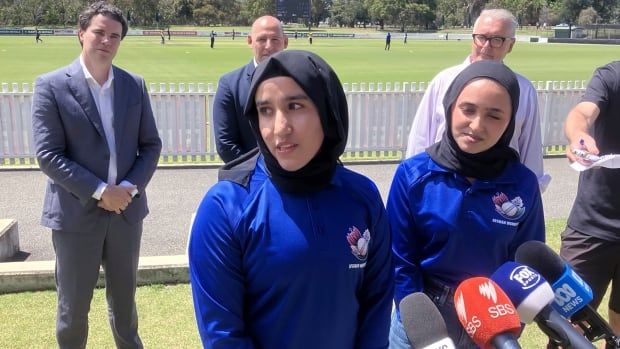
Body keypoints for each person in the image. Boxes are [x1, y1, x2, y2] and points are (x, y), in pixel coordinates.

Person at [188, 50, 394, 348]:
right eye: (266, 111)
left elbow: (376, 306)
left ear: (327, 110)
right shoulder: (226, 206)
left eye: (295, 106)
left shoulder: (362, 196)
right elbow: (223, 334)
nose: (279, 128)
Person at [387, 60, 545, 348]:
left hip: (492, 315)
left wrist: (510, 322)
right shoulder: (413, 175)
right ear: (450, 107)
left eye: (494, 116)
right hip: (425, 314)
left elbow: (526, 260)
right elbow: (400, 261)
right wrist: (418, 323)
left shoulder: (522, 183)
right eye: (468, 110)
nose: (476, 125)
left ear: (511, 122)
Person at [31, 2, 162, 348]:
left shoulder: (134, 85)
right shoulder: (51, 86)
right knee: (73, 309)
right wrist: (102, 190)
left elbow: (151, 145)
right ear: (81, 33)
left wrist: (128, 190)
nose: (107, 40)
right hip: (76, 216)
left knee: (125, 306)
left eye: (114, 36)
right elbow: (48, 155)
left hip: (126, 214)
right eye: (99, 32)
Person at [405, 8, 551, 192]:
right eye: (481, 37)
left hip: (499, 192)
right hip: (441, 186)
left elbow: (530, 150)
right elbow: (421, 137)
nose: (486, 46)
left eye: (497, 40)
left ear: (511, 45)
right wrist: (415, 184)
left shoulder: (524, 90)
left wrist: (529, 193)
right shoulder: (444, 80)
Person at [561, 61, 620, 339]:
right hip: (592, 227)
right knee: (569, 328)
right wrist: (578, 135)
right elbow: (583, 112)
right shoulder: (612, 75)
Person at [213, 15, 288, 163]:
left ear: (285, 42)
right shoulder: (230, 85)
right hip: (250, 179)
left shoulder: (301, 81)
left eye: (275, 40)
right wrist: (258, 173)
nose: (269, 46)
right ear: (250, 41)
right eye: (261, 39)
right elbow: (225, 144)